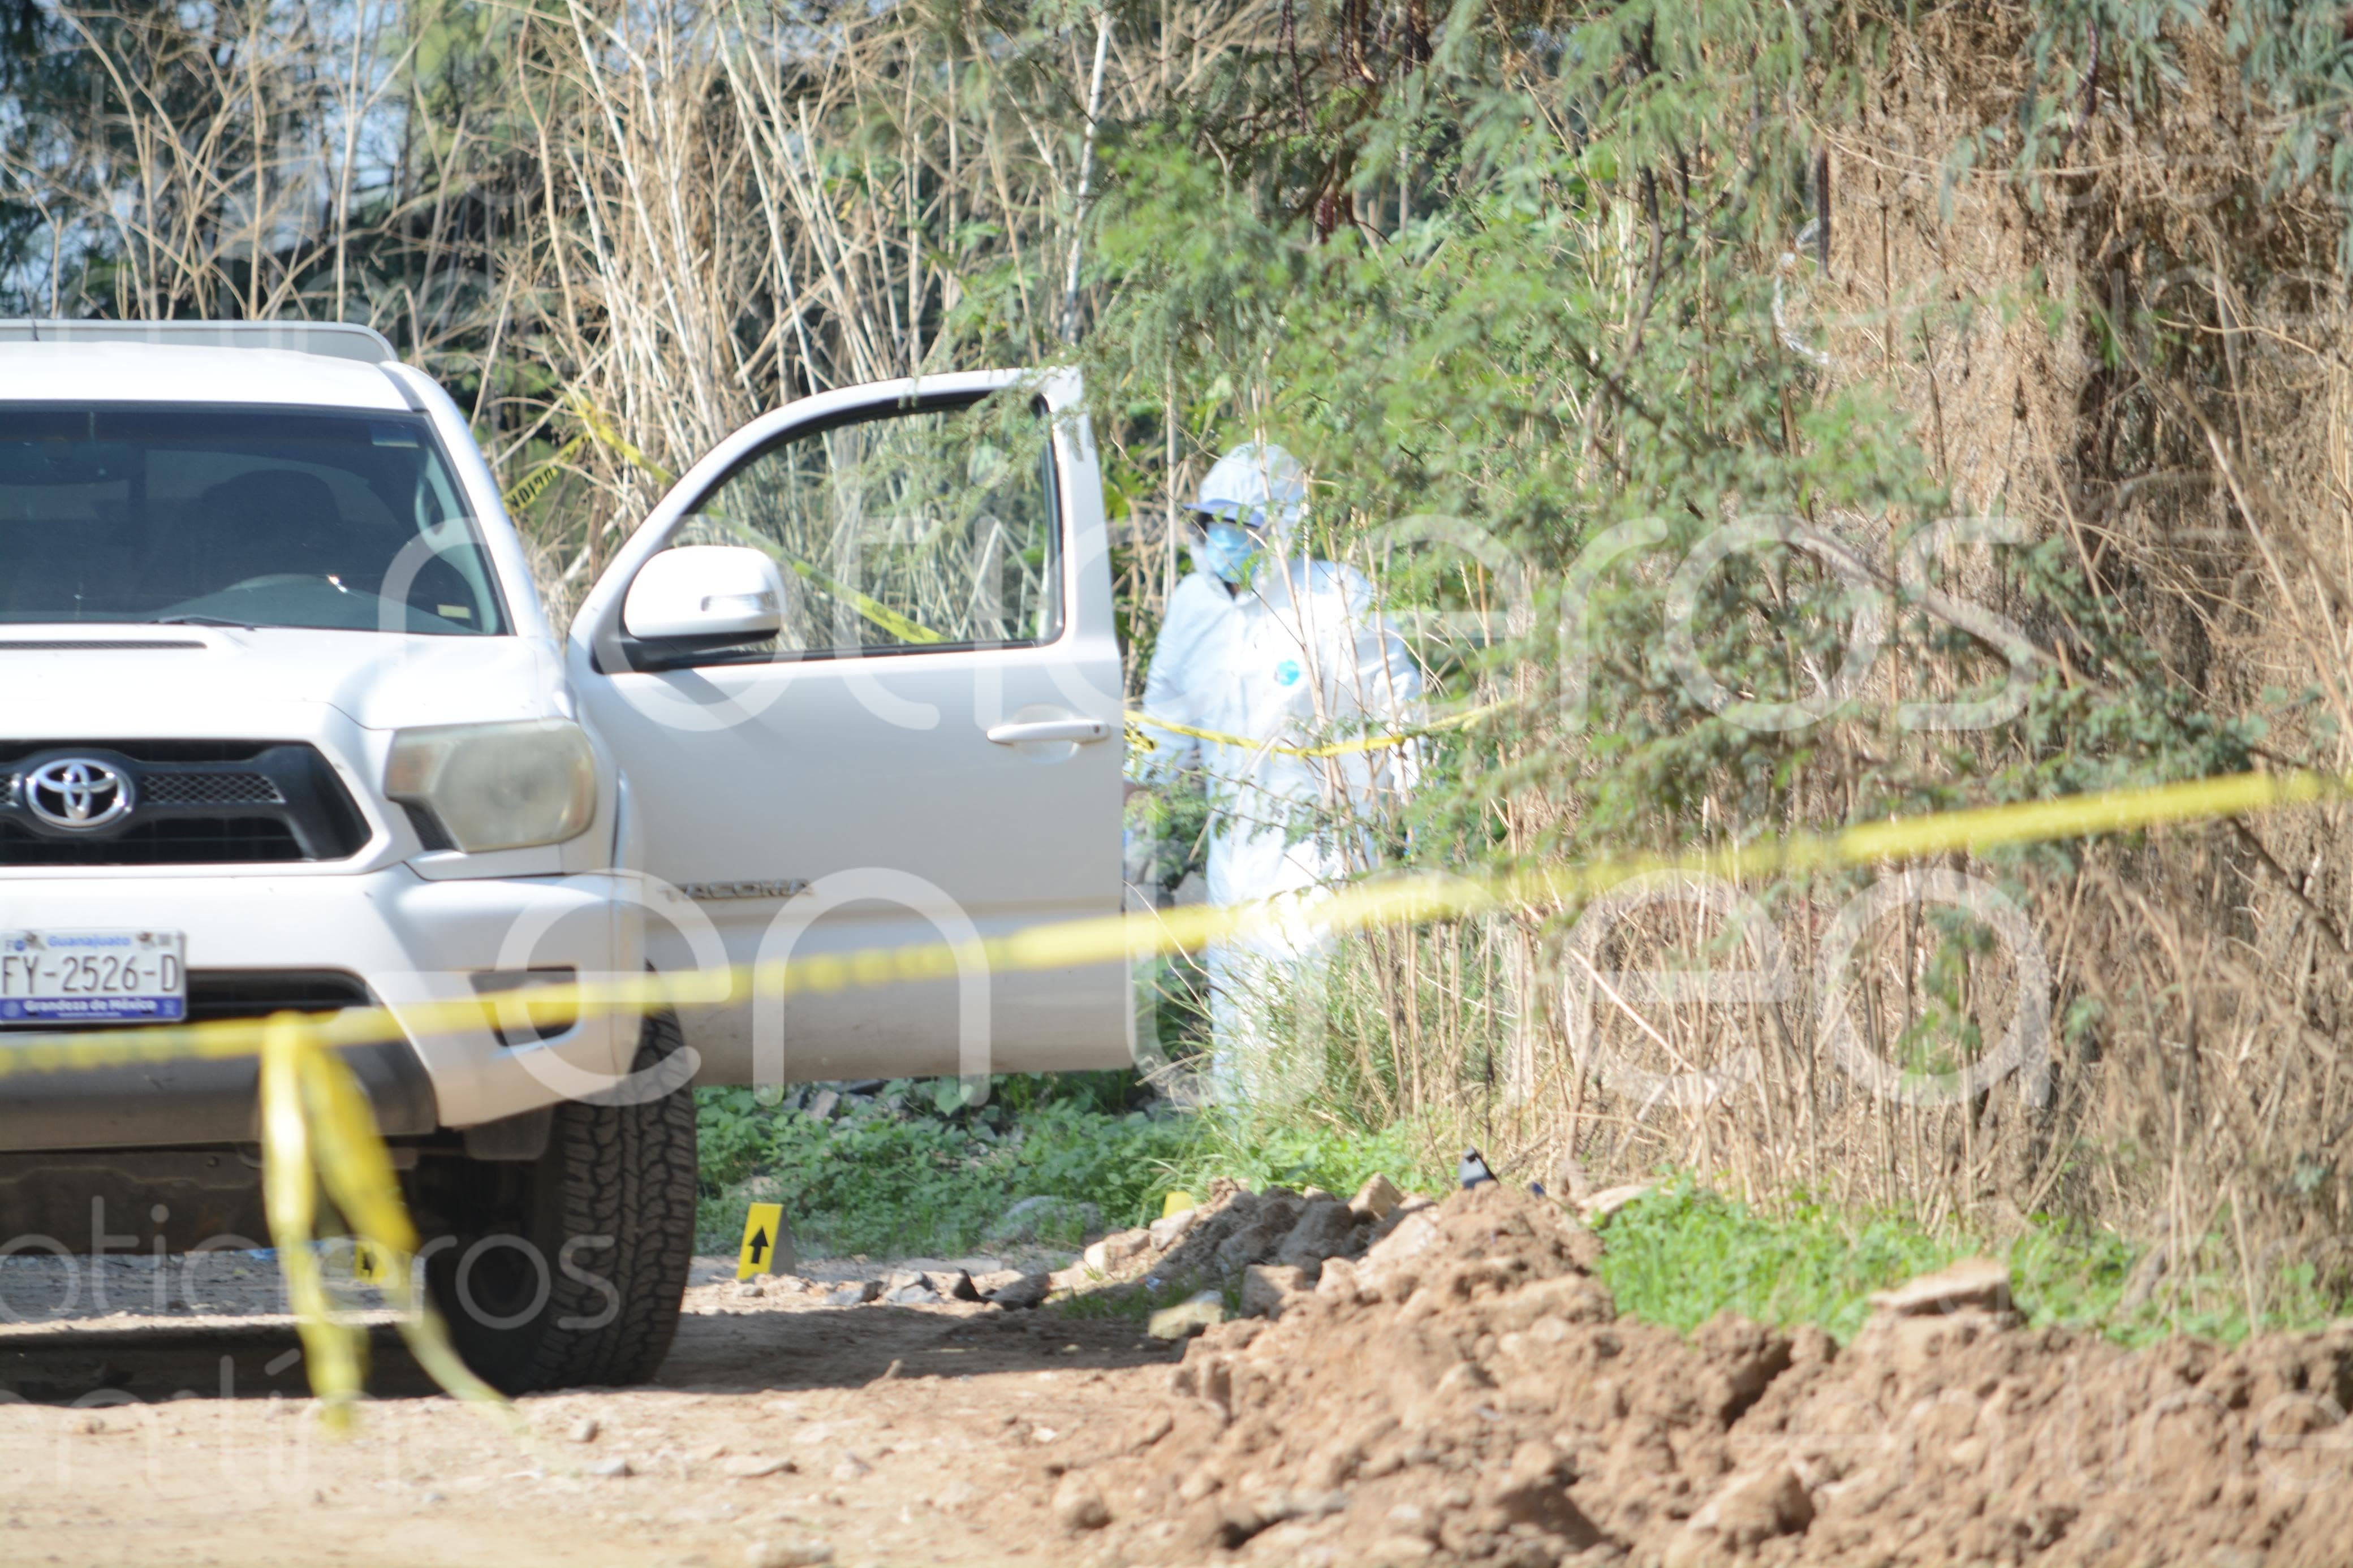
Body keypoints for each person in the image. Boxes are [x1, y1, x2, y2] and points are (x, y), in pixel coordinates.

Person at [1128, 442, 1421, 1098]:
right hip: (1236, 845)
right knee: (1239, 1007)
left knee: (1309, 995)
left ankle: (1330, 1125)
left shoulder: (1334, 596)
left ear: (1282, 527)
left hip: (1324, 840)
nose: (1226, 539)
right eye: (1214, 523)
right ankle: (1250, 1143)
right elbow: (1161, 726)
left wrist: (1417, 807)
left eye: (1243, 525)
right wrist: (1131, 802)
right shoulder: (1193, 607)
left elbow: (1395, 703)